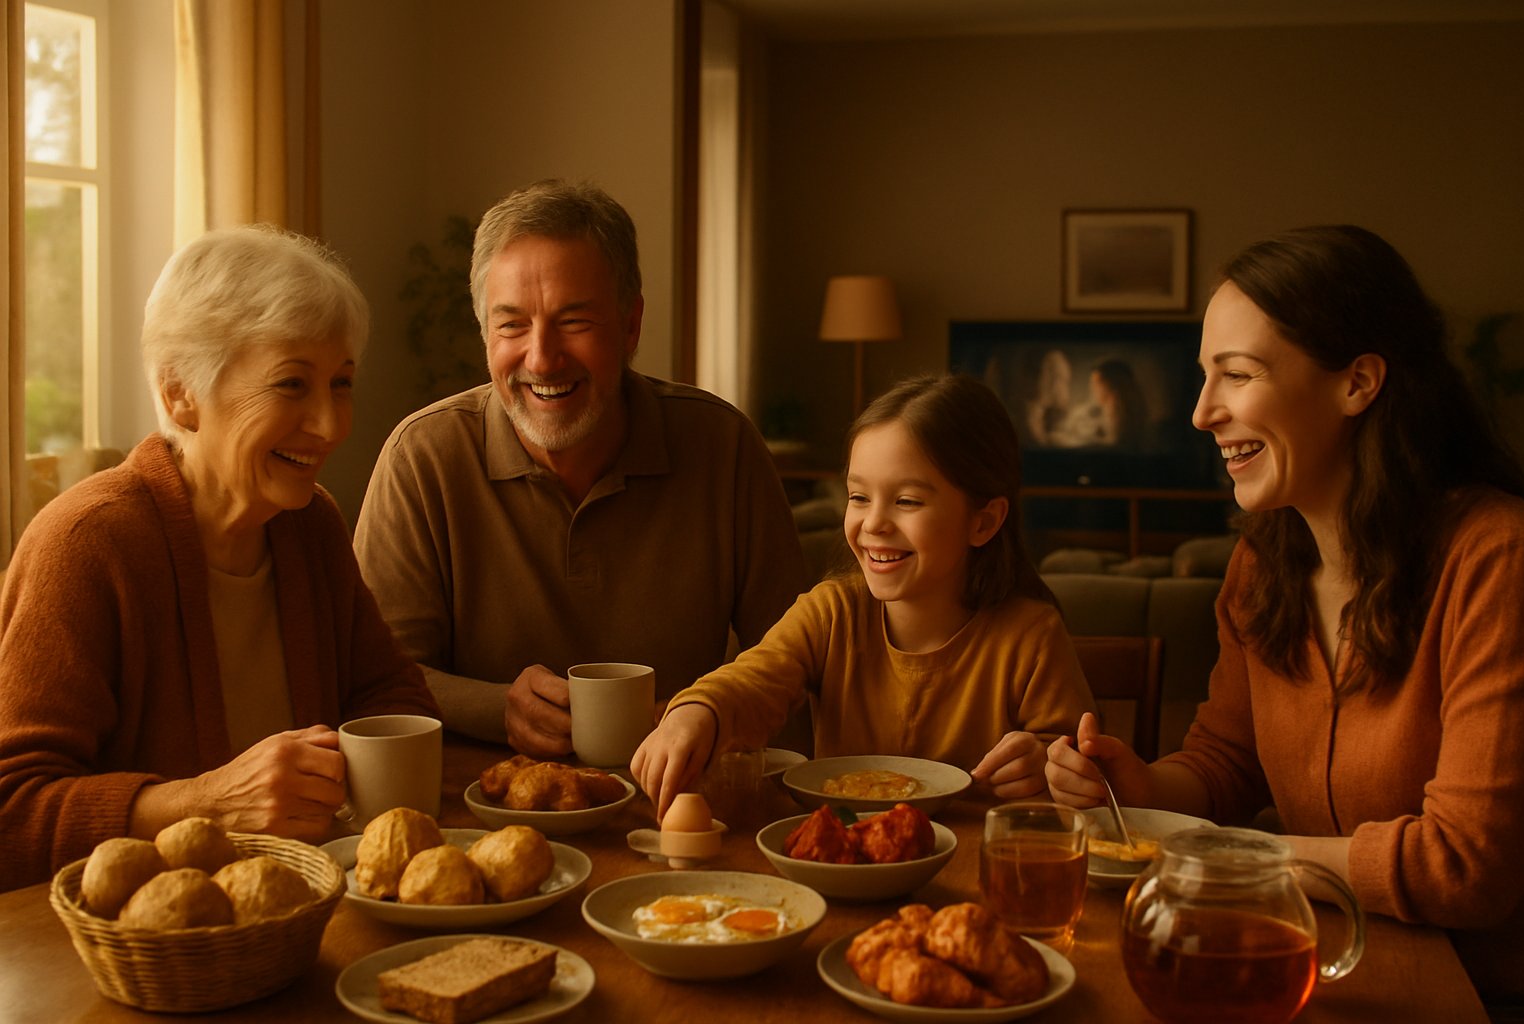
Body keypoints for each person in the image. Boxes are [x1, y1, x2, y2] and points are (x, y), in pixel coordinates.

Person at [1044, 225, 1524, 1005]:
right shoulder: (1259, 568)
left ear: (1358, 383)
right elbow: (1226, 765)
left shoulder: (1497, 555)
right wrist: (1141, 786)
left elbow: (1465, 867)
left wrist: (1245, 855)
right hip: (1311, 964)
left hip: (1474, 996)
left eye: (1237, 375)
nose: (1202, 413)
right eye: (1205, 377)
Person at [0, 226, 438, 890]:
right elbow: (12, 815)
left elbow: (389, 695)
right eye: (292, 384)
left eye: (341, 383)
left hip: (296, 917)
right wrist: (204, 803)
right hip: (134, 959)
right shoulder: (88, 542)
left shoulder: (308, 524)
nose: (329, 424)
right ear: (182, 393)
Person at [353, 180, 804, 756]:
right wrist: (497, 710)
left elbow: (796, 658)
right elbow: (377, 681)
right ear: (484, 332)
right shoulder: (422, 459)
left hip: (677, 806)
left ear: (631, 325)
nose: (542, 358)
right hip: (477, 817)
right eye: (512, 324)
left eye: (574, 321)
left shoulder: (724, 446)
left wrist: (711, 709)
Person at [633, 373, 1097, 817]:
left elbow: (1076, 765)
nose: (873, 523)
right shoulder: (831, 612)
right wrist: (698, 712)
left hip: (976, 872)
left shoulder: (1031, 636)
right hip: (845, 861)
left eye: (907, 500)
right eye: (858, 497)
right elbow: (752, 680)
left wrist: (1045, 765)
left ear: (984, 522)